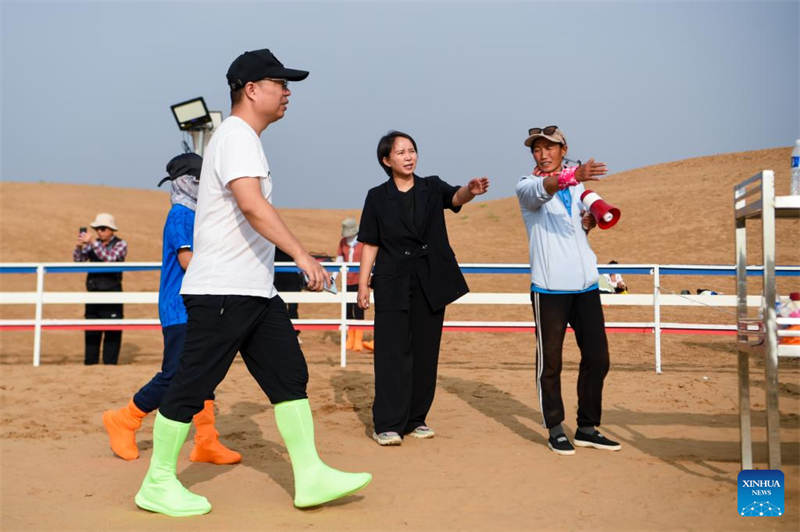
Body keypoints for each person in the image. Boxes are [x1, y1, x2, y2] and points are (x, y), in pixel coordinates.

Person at [134, 49, 370, 517]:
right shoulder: (237, 136)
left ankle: (311, 476)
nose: (287, 92)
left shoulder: (244, 139)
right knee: (191, 384)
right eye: (280, 83)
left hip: (255, 291)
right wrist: (301, 254)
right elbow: (251, 203)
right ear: (251, 89)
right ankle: (157, 482)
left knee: (289, 376)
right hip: (222, 290)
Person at [102, 153, 240, 465]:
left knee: (205, 371)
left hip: (199, 304)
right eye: (201, 180)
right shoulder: (181, 214)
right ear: (187, 182)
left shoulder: (198, 215)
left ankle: (206, 440)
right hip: (180, 307)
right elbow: (187, 261)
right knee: (176, 372)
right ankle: (126, 418)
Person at [357, 130, 489, 446]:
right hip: (392, 282)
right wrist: (363, 284)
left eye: (412, 150)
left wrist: (470, 191)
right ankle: (387, 424)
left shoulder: (431, 186)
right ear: (386, 160)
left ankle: (416, 419)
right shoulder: (377, 197)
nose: (408, 156)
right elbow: (370, 243)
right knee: (391, 353)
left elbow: (455, 197)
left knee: (425, 353)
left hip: (430, 281)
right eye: (401, 152)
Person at [515, 125, 621, 456]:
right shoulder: (527, 185)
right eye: (537, 149)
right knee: (551, 362)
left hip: (585, 286)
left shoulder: (578, 190)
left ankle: (587, 428)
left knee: (598, 358)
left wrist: (588, 224)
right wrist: (572, 175)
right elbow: (545, 188)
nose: (543, 154)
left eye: (550, 147)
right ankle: (555, 428)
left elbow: (576, 230)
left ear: (563, 150)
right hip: (549, 289)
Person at [73, 213, 127, 365]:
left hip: (112, 292)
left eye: (102, 228)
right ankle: (91, 363)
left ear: (111, 230)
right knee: (92, 329)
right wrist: (79, 246)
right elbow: (78, 260)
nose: (99, 232)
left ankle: (110, 364)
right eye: (97, 229)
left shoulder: (120, 244)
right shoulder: (94, 244)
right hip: (93, 292)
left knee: (112, 329)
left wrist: (93, 243)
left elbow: (110, 258)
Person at [336, 218, 371, 351]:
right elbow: (339, 259)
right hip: (347, 280)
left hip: (359, 280)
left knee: (359, 309)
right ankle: (350, 337)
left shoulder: (363, 242)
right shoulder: (342, 242)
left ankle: (358, 339)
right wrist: (333, 277)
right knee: (347, 309)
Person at [273, 246, 304, 343]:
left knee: (293, 308)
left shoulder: (291, 246)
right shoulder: (272, 247)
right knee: (280, 308)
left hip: (292, 280)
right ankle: (281, 334)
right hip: (278, 280)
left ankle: (295, 334)